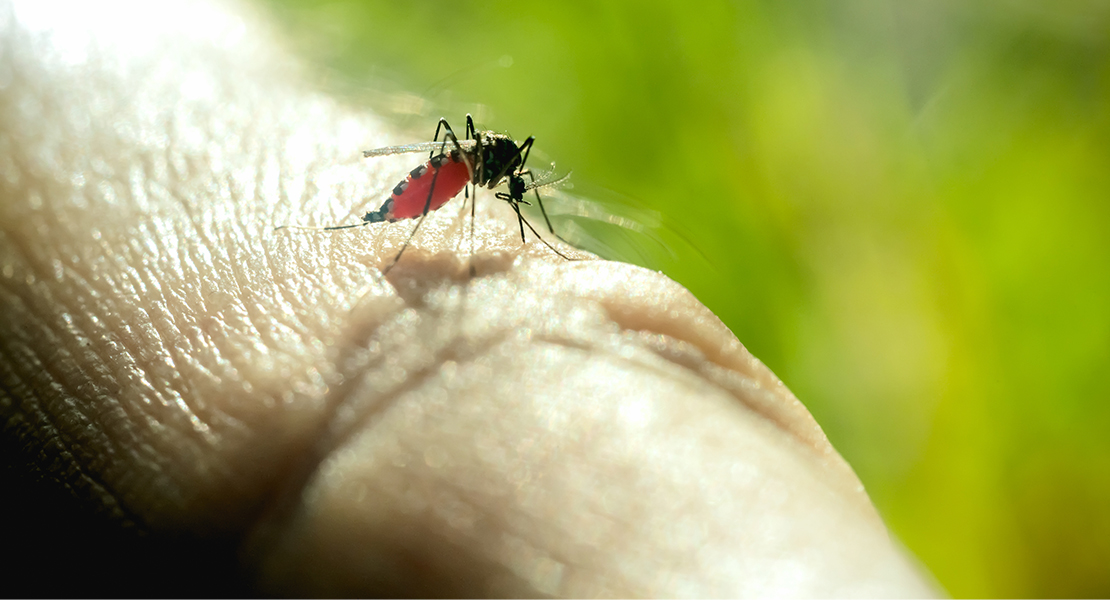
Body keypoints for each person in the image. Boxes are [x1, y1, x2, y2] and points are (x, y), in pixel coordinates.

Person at [0, 0, 937, 596]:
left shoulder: (493, 179)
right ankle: (386, 204)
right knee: (448, 162)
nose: (513, 181)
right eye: (510, 175)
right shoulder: (473, 177)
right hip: (413, 208)